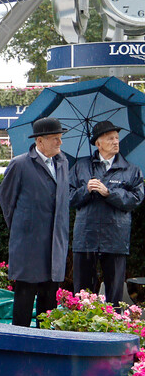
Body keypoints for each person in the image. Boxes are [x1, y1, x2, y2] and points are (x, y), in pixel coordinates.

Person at [0, 117, 69, 327]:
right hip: (28, 246)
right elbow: (6, 199)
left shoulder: (63, 162)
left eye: (60, 138)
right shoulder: (20, 164)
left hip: (55, 245)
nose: (60, 142)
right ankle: (19, 348)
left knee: (49, 305)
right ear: (39, 141)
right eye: (55, 138)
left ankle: (45, 349)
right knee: (24, 300)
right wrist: (22, 228)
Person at [69, 120, 144, 305]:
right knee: (82, 294)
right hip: (86, 237)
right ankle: (81, 330)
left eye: (117, 138)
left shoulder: (131, 170)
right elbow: (67, 198)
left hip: (116, 238)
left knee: (115, 294)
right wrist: (85, 190)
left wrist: (109, 193)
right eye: (110, 138)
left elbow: (135, 199)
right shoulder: (81, 167)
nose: (116, 142)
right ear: (98, 143)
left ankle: (115, 329)